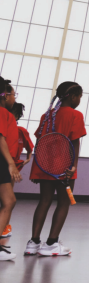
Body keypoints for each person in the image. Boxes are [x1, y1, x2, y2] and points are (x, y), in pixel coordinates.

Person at [26, 82, 85, 257]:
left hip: (45, 165)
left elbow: (41, 141)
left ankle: (33, 242)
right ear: (73, 96)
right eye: (80, 97)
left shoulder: (47, 115)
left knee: (44, 201)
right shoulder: (76, 114)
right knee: (64, 202)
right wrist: (73, 165)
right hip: (64, 167)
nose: (80, 100)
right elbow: (74, 142)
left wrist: (37, 168)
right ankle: (51, 243)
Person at [1, 103, 33, 241]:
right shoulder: (4, 117)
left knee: (8, 200)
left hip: (11, 166)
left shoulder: (20, 130)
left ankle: (5, 226)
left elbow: (30, 148)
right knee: (9, 200)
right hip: (5, 164)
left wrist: (26, 160)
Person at [0, 77, 21, 261]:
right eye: (14, 94)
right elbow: (0, 139)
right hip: (1, 161)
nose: (15, 98)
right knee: (9, 201)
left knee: (8, 201)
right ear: (5, 96)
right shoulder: (2, 112)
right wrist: (11, 163)